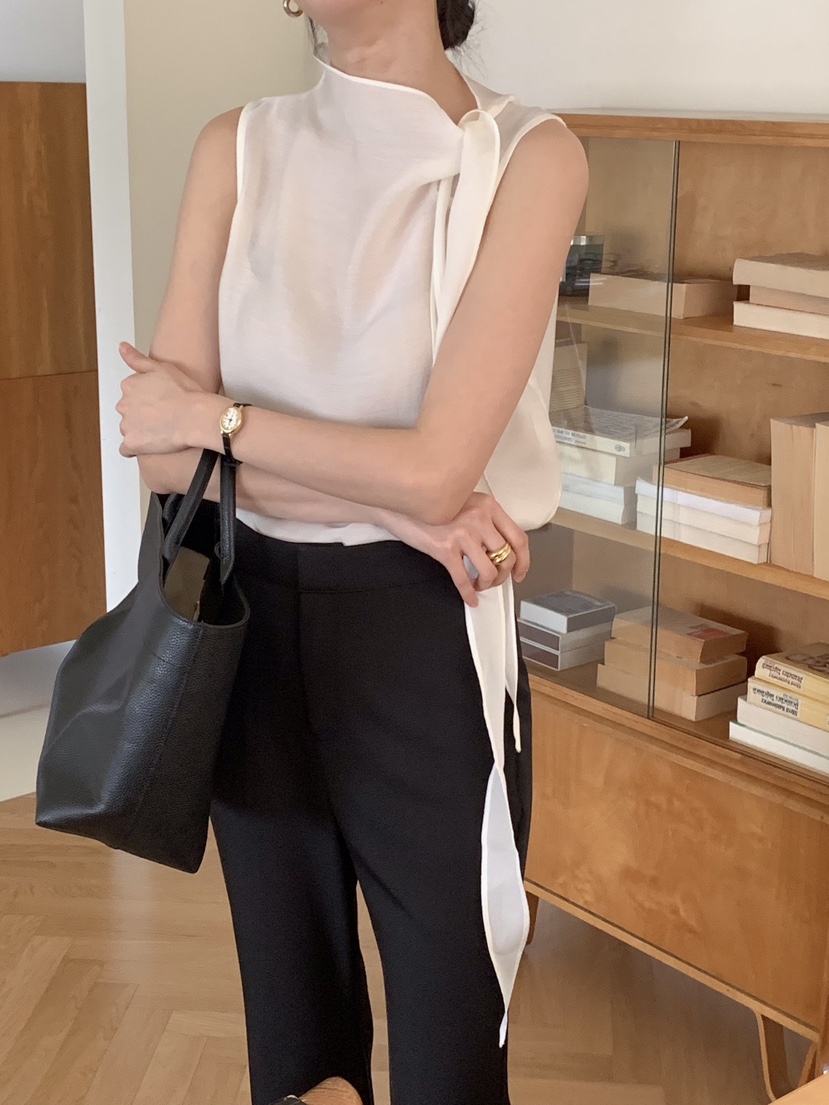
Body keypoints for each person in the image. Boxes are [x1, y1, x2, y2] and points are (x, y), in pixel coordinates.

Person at [115, 1, 588, 1102]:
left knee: (452, 1028)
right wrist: (409, 504)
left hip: (423, 634)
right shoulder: (235, 145)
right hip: (242, 619)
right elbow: (163, 459)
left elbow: (434, 467)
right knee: (293, 1031)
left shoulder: (527, 157)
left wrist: (220, 420)